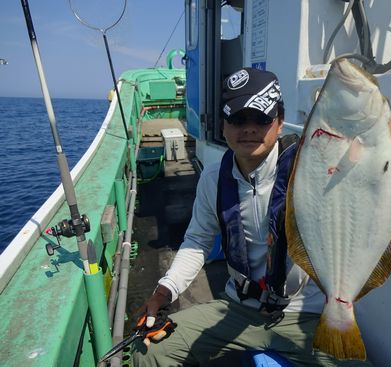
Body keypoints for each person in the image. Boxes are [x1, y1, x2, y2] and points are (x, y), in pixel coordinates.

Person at [133, 68, 372, 367]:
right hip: (237, 307)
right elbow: (197, 241)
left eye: (261, 119)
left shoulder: (312, 169)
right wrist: (163, 291)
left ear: (280, 123)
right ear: (223, 126)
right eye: (237, 119)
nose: (249, 129)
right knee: (150, 350)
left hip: (305, 313)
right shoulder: (213, 179)